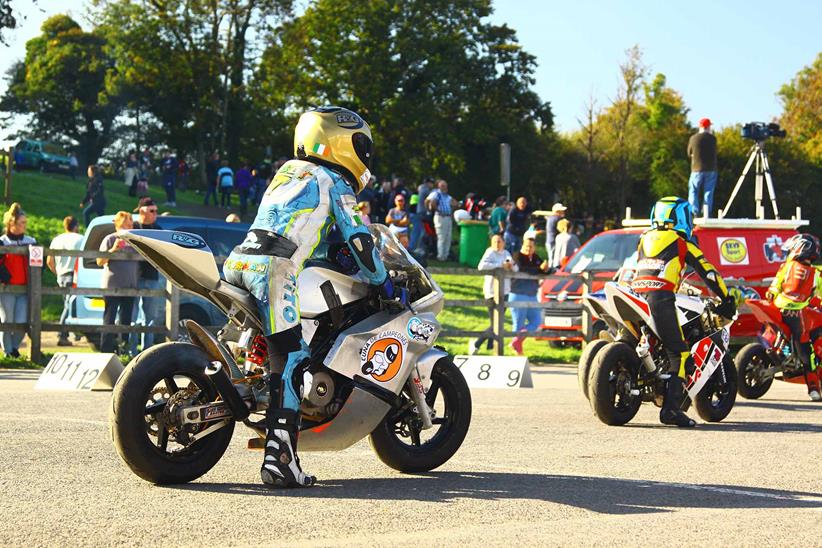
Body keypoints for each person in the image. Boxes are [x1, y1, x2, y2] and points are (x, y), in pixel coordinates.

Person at [224, 106, 406, 488]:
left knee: (280, 343)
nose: (364, 155)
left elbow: (302, 226)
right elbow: (359, 238)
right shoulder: (334, 181)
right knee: (290, 358)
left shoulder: (288, 172)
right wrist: (382, 281)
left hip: (240, 261)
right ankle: (280, 459)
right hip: (275, 269)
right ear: (340, 144)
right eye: (360, 146)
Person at [630, 196, 736, 427]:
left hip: (636, 294)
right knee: (679, 354)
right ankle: (671, 410)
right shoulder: (681, 242)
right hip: (661, 298)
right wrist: (726, 298)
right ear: (681, 217)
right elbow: (709, 273)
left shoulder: (644, 239)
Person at [766, 233, 822, 401]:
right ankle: (813, 388)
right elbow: (818, 294)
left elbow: (776, 283)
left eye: (790, 250)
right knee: (806, 350)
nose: (788, 253)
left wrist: (772, 292)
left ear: (799, 249)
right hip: (797, 314)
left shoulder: (787, 266)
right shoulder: (816, 273)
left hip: (777, 307)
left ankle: (779, 353)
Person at [97, 211, 139, 354]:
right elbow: (99, 261)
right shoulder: (109, 239)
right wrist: (114, 249)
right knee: (109, 320)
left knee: (126, 321)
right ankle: (106, 351)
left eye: (131, 223)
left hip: (130, 286)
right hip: (112, 286)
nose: (130, 226)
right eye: (127, 223)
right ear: (119, 224)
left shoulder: (135, 240)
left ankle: (123, 350)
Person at [0, 203, 36, 357]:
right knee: (7, 320)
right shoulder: (2, 242)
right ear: (11, 224)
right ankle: (8, 351)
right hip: (7, 288)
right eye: (22, 223)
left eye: (25, 222)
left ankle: (14, 348)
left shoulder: (31, 241)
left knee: (22, 322)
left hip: (25, 289)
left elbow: (39, 263)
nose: (24, 226)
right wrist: (4, 277)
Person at [470, 234, 514, 355]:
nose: (497, 244)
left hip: (505, 291)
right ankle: (477, 344)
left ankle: (487, 345)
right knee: (495, 322)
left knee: (497, 322)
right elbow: (481, 266)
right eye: (494, 241)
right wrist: (500, 266)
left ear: (504, 243)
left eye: (499, 241)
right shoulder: (489, 252)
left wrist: (510, 266)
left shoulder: (506, 253)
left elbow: (514, 267)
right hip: (491, 292)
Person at [131, 198, 164, 353]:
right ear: (142, 211)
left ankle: (147, 351)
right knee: (132, 318)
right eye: (152, 210)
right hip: (134, 277)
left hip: (152, 277)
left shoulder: (158, 229)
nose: (155, 213)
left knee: (149, 318)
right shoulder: (133, 227)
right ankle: (130, 350)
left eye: (156, 210)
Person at [508, 238, 549, 355]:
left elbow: (542, 271)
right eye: (526, 246)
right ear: (522, 246)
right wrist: (539, 269)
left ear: (534, 247)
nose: (528, 249)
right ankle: (517, 352)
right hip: (518, 294)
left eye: (531, 246)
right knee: (518, 324)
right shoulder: (517, 256)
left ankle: (516, 341)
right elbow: (522, 269)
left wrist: (545, 269)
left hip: (532, 295)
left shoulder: (536, 258)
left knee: (536, 321)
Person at [47, 216, 83, 346]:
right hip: (73, 274)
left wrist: (57, 273)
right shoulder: (80, 239)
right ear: (76, 226)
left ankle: (68, 333)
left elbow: (49, 261)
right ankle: (62, 334)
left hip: (61, 275)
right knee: (69, 306)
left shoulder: (57, 239)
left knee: (67, 304)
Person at [687, 118, 718, 217]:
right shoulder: (713, 139)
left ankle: (693, 212)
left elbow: (689, 153)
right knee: (708, 192)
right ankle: (706, 213)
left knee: (693, 190)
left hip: (696, 169)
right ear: (708, 127)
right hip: (711, 169)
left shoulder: (693, 138)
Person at [426, 179, 457, 261]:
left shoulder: (447, 195)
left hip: (448, 217)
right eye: (443, 185)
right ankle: (440, 256)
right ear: (438, 186)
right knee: (442, 237)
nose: (445, 187)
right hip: (440, 217)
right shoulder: (436, 193)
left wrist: (453, 209)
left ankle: (445, 256)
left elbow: (455, 203)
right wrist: (436, 210)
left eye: (446, 185)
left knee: (448, 237)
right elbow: (430, 202)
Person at [409, 177, 433, 252]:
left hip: (419, 213)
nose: (432, 185)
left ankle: (413, 248)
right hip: (421, 213)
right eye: (431, 183)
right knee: (419, 231)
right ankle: (414, 248)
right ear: (428, 183)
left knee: (418, 231)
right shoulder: (425, 189)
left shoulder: (421, 188)